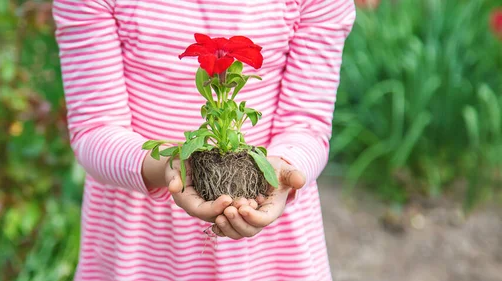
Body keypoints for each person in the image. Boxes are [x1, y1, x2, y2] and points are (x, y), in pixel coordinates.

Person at [52, 0, 356, 280]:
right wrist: (172, 167)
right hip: (139, 244)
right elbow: (94, 130)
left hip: (270, 245)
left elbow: (307, 124)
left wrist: (282, 169)